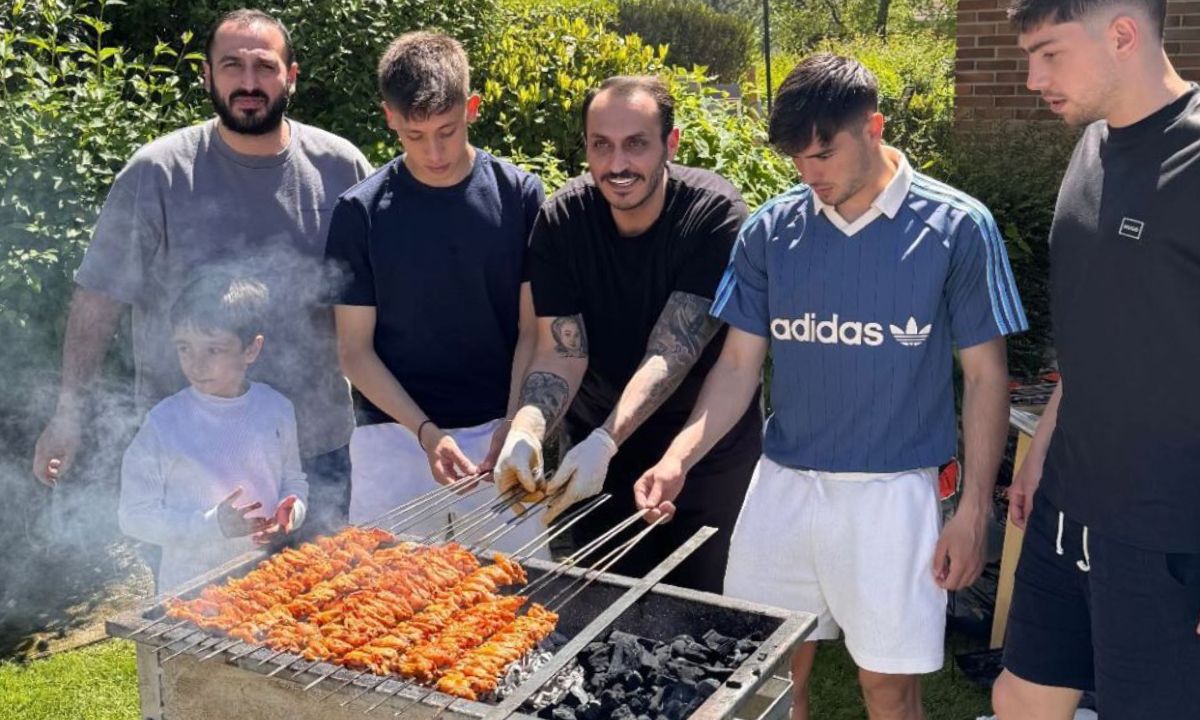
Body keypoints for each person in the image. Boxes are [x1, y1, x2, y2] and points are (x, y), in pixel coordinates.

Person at [634, 54, 1026, 720]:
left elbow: (988, 377)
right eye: (796, 159)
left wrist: (972, 511)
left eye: (822, 153)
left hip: (893, 495)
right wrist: (677, 458)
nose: (809, 173)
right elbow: (736, 367)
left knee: (889, 690)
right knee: (766, 678)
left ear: (872, 128)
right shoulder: (770, 229)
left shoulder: (958, 227)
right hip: (784, 487)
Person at [991, 1, 1200, 717]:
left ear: (1122, 33)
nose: (1032, 78)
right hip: (1068, 511)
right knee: (1020, 699)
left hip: (1175, 542)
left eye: (1050, 53)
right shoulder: (1092, 146)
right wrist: (1045, 447)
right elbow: (1103, 324)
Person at [32, 9, 370, 535]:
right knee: (198, 614)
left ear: (292, 76)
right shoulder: (156, 173)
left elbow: (375, 300)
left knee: (320, 608)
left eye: (265, 66)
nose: (249, 82)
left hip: (312, 450)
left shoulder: (339, 166)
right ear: (207, 76)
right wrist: (68, 413)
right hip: (188, 453)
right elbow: (98, 299)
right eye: (232, 66)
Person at [493, 75, 763, 593]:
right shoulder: (562, 220)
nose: (617, 165)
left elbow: (673, 350)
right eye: (602, 145)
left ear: (671, 143)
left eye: (636, 144)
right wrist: (527, 429)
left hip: (698, 451)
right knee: (596, 611)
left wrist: (605, 441)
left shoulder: (713, 214)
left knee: (700, 618)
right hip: (594, 454)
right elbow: (559, 349)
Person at [325, 31, 546, 552]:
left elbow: (532, 330)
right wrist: (426, 433)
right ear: (390, 119)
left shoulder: (519, 196)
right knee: (384, 606)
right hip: (392, 436)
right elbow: (353, 352)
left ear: (472, 107)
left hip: (497, 429)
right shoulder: (359, 212)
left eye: (447, 130)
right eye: (415, 135)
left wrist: (515, 423)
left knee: (514, 599)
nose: (435, 152)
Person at [118, 274, 305, 594]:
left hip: (265, 585)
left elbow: (294, 481)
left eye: (213, 350)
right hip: (190, 595)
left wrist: (293, 511)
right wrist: (210, 525)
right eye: (184, 348)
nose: (196, 364)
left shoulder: (277, 409)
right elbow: (133, 516)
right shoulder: (164, 423)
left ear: (251, 349)